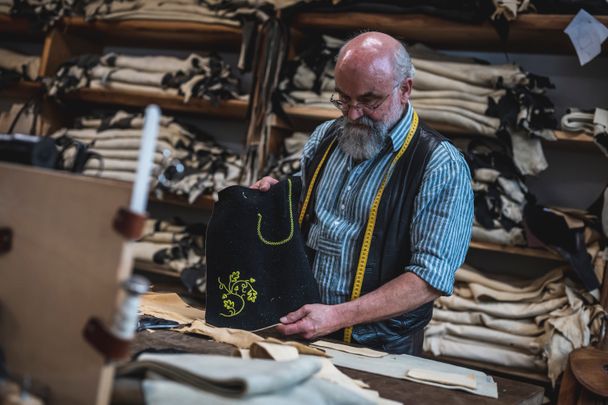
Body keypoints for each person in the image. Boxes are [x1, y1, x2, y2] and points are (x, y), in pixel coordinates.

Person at [251, 32, 473, 355]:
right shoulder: (325, 138)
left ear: (405, 90)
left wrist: (336, 317)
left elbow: (428, 279)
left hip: (381, 350)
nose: (353, 113)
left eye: (369, 101)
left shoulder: (439, 166)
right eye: (343, 98)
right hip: (305, 332)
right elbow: (310, 217)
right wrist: (279, 198)